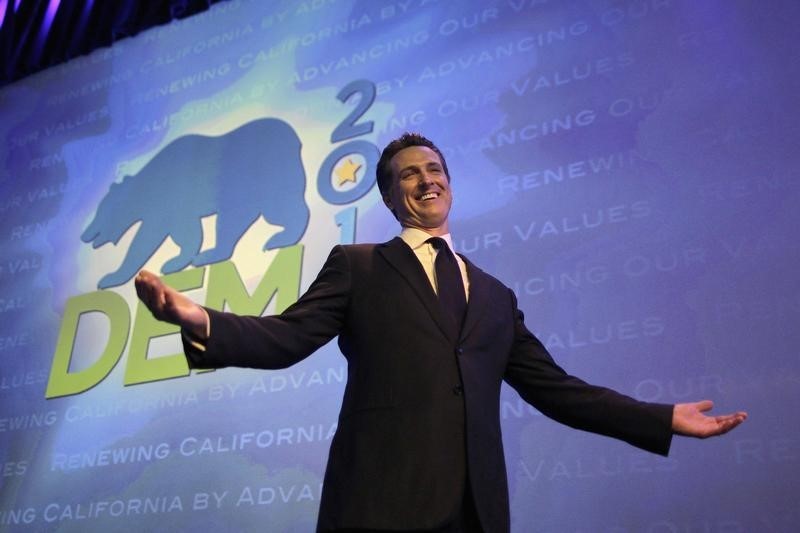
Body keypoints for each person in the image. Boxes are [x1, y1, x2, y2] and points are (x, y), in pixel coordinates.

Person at [135, 133, 747, 532]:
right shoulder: (359, 266)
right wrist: (199, 320)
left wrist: (661, 417)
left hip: (476, 513)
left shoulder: (496, 296)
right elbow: (285, 338)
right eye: (408, 174)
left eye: (435, 169)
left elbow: (557, 390)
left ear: (449, 182)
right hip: (380, 507)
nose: (426, 179)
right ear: (388, 194)